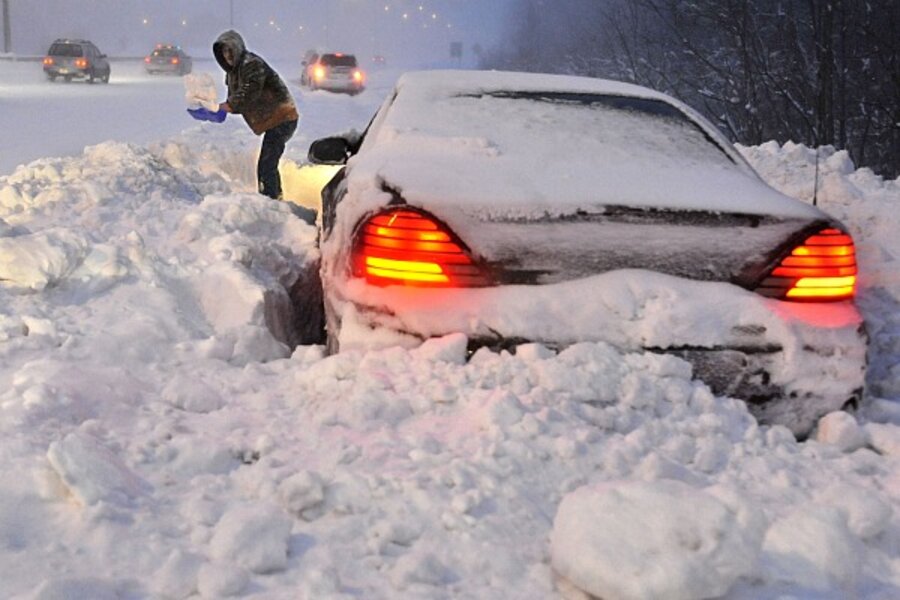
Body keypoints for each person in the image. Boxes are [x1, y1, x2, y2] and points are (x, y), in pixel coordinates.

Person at [213, 30, 299, 200]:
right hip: (273, 120)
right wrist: (219, 109)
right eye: (224, 52)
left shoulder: (251, 64)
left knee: (266, 163)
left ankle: (270, 201)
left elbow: (249, 92)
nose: (228, 55)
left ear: (238, 48)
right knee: (268, 163)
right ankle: (276, 199)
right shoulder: (233, 72)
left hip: (283, 117)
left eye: (231, 50)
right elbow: (238, 100)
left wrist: (227, 106)